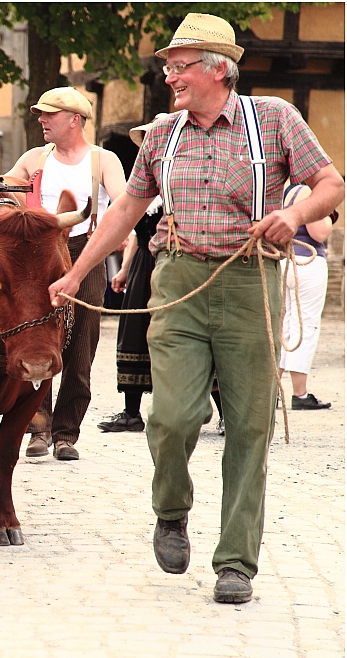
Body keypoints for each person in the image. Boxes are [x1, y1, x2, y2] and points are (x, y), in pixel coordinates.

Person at [49, 13, 344, 604]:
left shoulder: (275, 120)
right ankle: (171, 511)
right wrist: (76, 275)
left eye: (178, 65)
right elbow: (126, 211)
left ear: (217, 70)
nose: (169, 75)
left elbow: (330, 184)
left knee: (249, 429)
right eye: (167, 64)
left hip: (249, 282)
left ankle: (237, 563)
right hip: (178, 279)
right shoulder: (161, 134)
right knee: (173, 417)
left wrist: (293, 216)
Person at [6, 86, 127, 460]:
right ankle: (37, 427)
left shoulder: (103, 161)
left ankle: (66, 433)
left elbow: (123, 205)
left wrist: (120, 242)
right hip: (40, 257)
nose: (41, 119)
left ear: (74, 120)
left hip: (85, 253)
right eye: (40, 114)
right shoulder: (33, 159)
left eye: (49, 114)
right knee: (34, 335)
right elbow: (2, 189)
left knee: (82, 342)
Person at [99, 116, 168, 433]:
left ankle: (223, 413)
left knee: (197, 334)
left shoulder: (182, 178)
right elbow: (131, 229)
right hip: (144, 261)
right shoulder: (143, 182)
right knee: (134, 331)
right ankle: (131, 412)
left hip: (177, 259)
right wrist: (126, 268)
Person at [279, 184, 336, 410]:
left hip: (284, 262)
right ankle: (300, 394)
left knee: (283, 328)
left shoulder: (280, 190)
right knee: (305, 326)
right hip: (307, 262)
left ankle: (272, 391)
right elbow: (318, 232)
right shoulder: (307, 192)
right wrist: (329, 213)